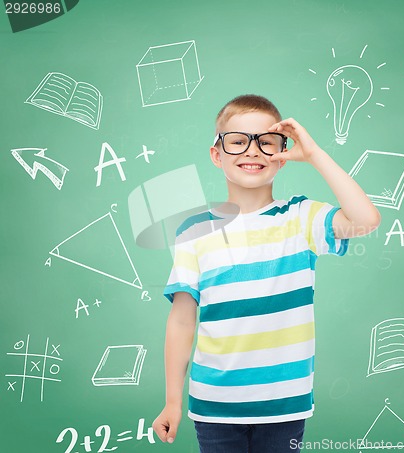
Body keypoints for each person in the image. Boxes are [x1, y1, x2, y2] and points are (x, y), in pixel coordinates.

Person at [153, 94, 381, 452]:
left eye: (266, 142)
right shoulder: (194, 231)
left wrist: (315, 154)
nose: (252, 151)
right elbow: (182, 321)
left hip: (284, 403)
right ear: (217, 154)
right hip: (215, 404)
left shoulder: (302, 217)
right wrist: (172, 400)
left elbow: (365, 220)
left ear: (283, 155)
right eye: (237, 141)